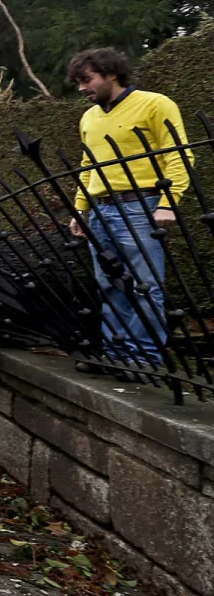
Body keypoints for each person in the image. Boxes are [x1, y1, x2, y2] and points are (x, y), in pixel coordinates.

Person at [64, 48, 195, 374]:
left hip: (141, 206)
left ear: (111, 73)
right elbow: (87, 166)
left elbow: (179, 156)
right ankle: (116, 356)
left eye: (87, 79)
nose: (82, 88)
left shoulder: (155, 104)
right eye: (78, 82)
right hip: (100, 211)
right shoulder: (89, 118)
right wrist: (80, 209)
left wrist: (168, 202)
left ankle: (144, 359)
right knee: (110, 286)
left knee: (146, 286)